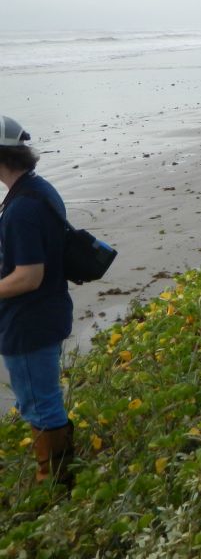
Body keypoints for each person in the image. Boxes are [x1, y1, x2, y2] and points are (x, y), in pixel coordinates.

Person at [0, 116, 74, 486]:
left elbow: (29, 277)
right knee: (43, 397)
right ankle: (60, 472)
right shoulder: (39, 189)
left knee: (39, 403)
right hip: (49, 311)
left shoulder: (21, 209)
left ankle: (55, 481)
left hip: (30, 322)